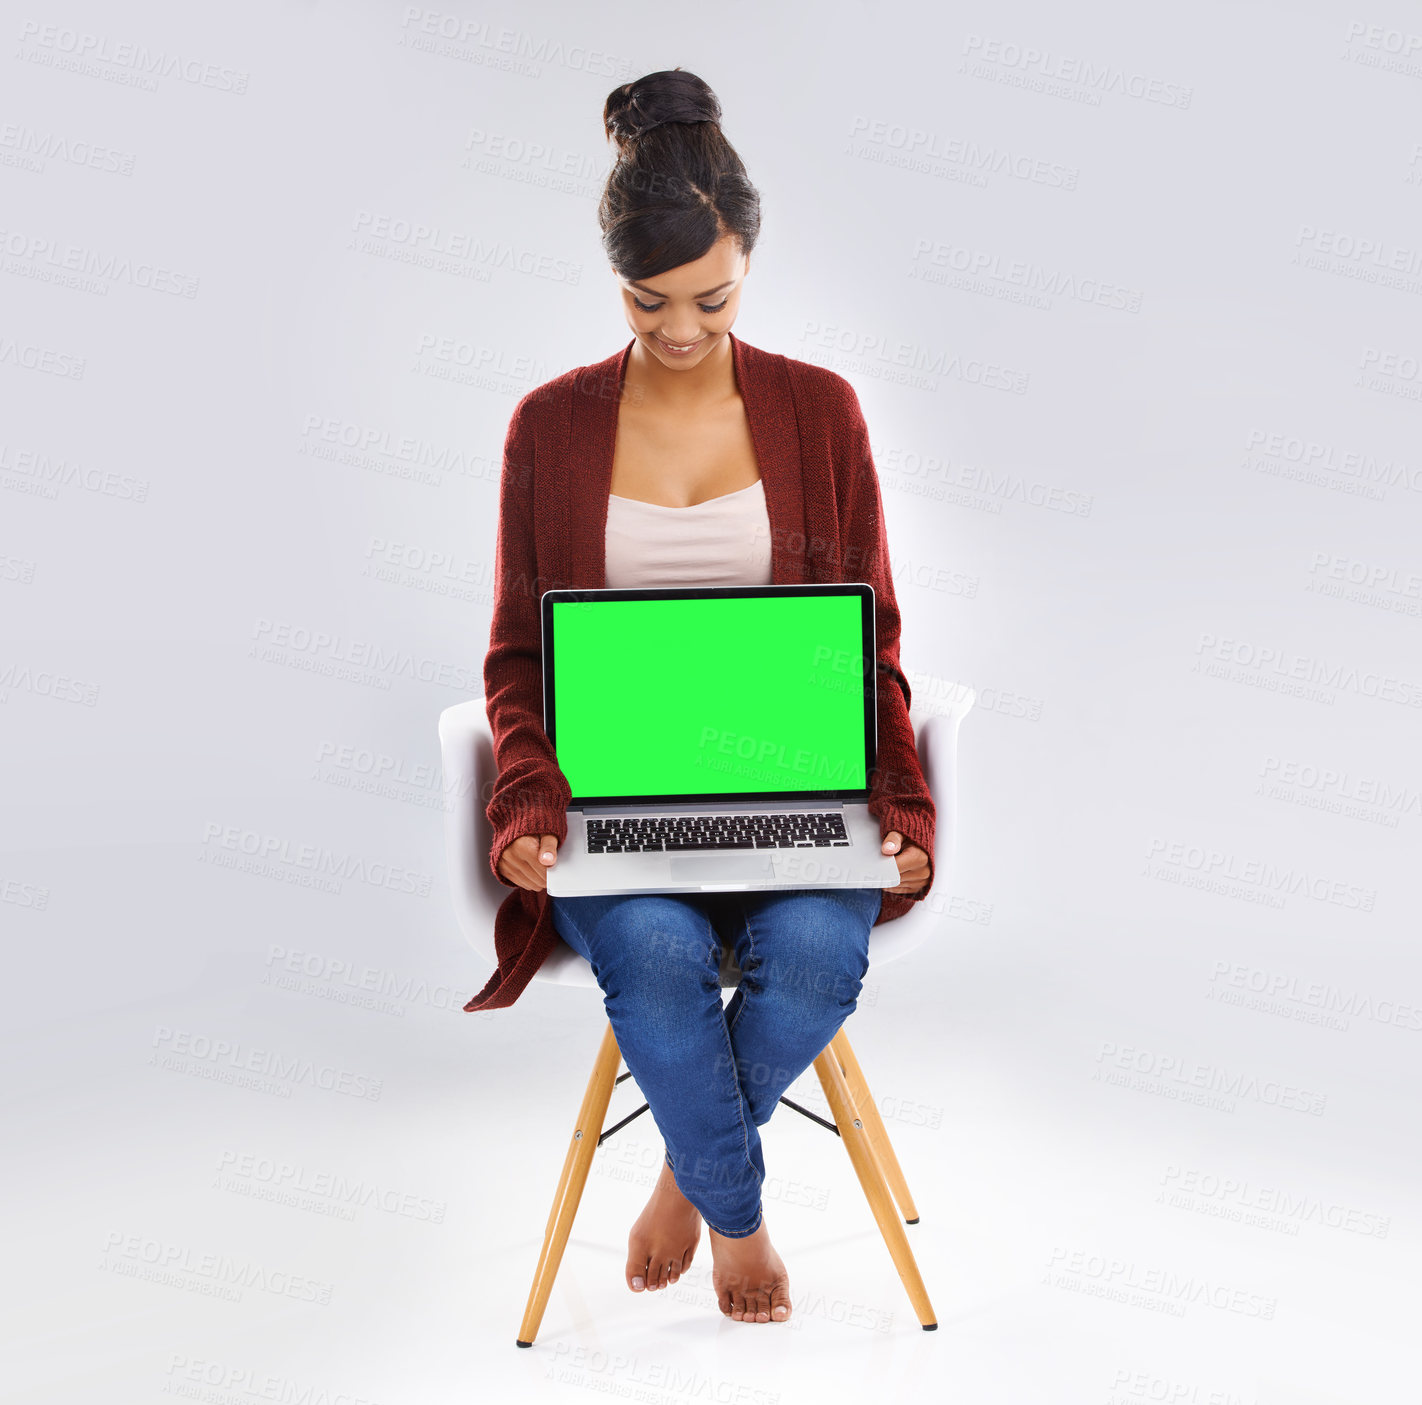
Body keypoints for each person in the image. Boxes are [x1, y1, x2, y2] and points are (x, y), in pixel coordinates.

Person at [467, 67, 936, 1327]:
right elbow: (520, 654)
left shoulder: (819, 412)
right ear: (612, 275)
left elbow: (870, 637)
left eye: (713, 298)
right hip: (623, 808)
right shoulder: (548, 427)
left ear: (750, 263)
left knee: (817, 955)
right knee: (664, 959)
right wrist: (525, 787)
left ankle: (686, 1173)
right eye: (648, 299)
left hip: (800, 792)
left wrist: (900, 801)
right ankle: (742, 1217)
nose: (680, 328)